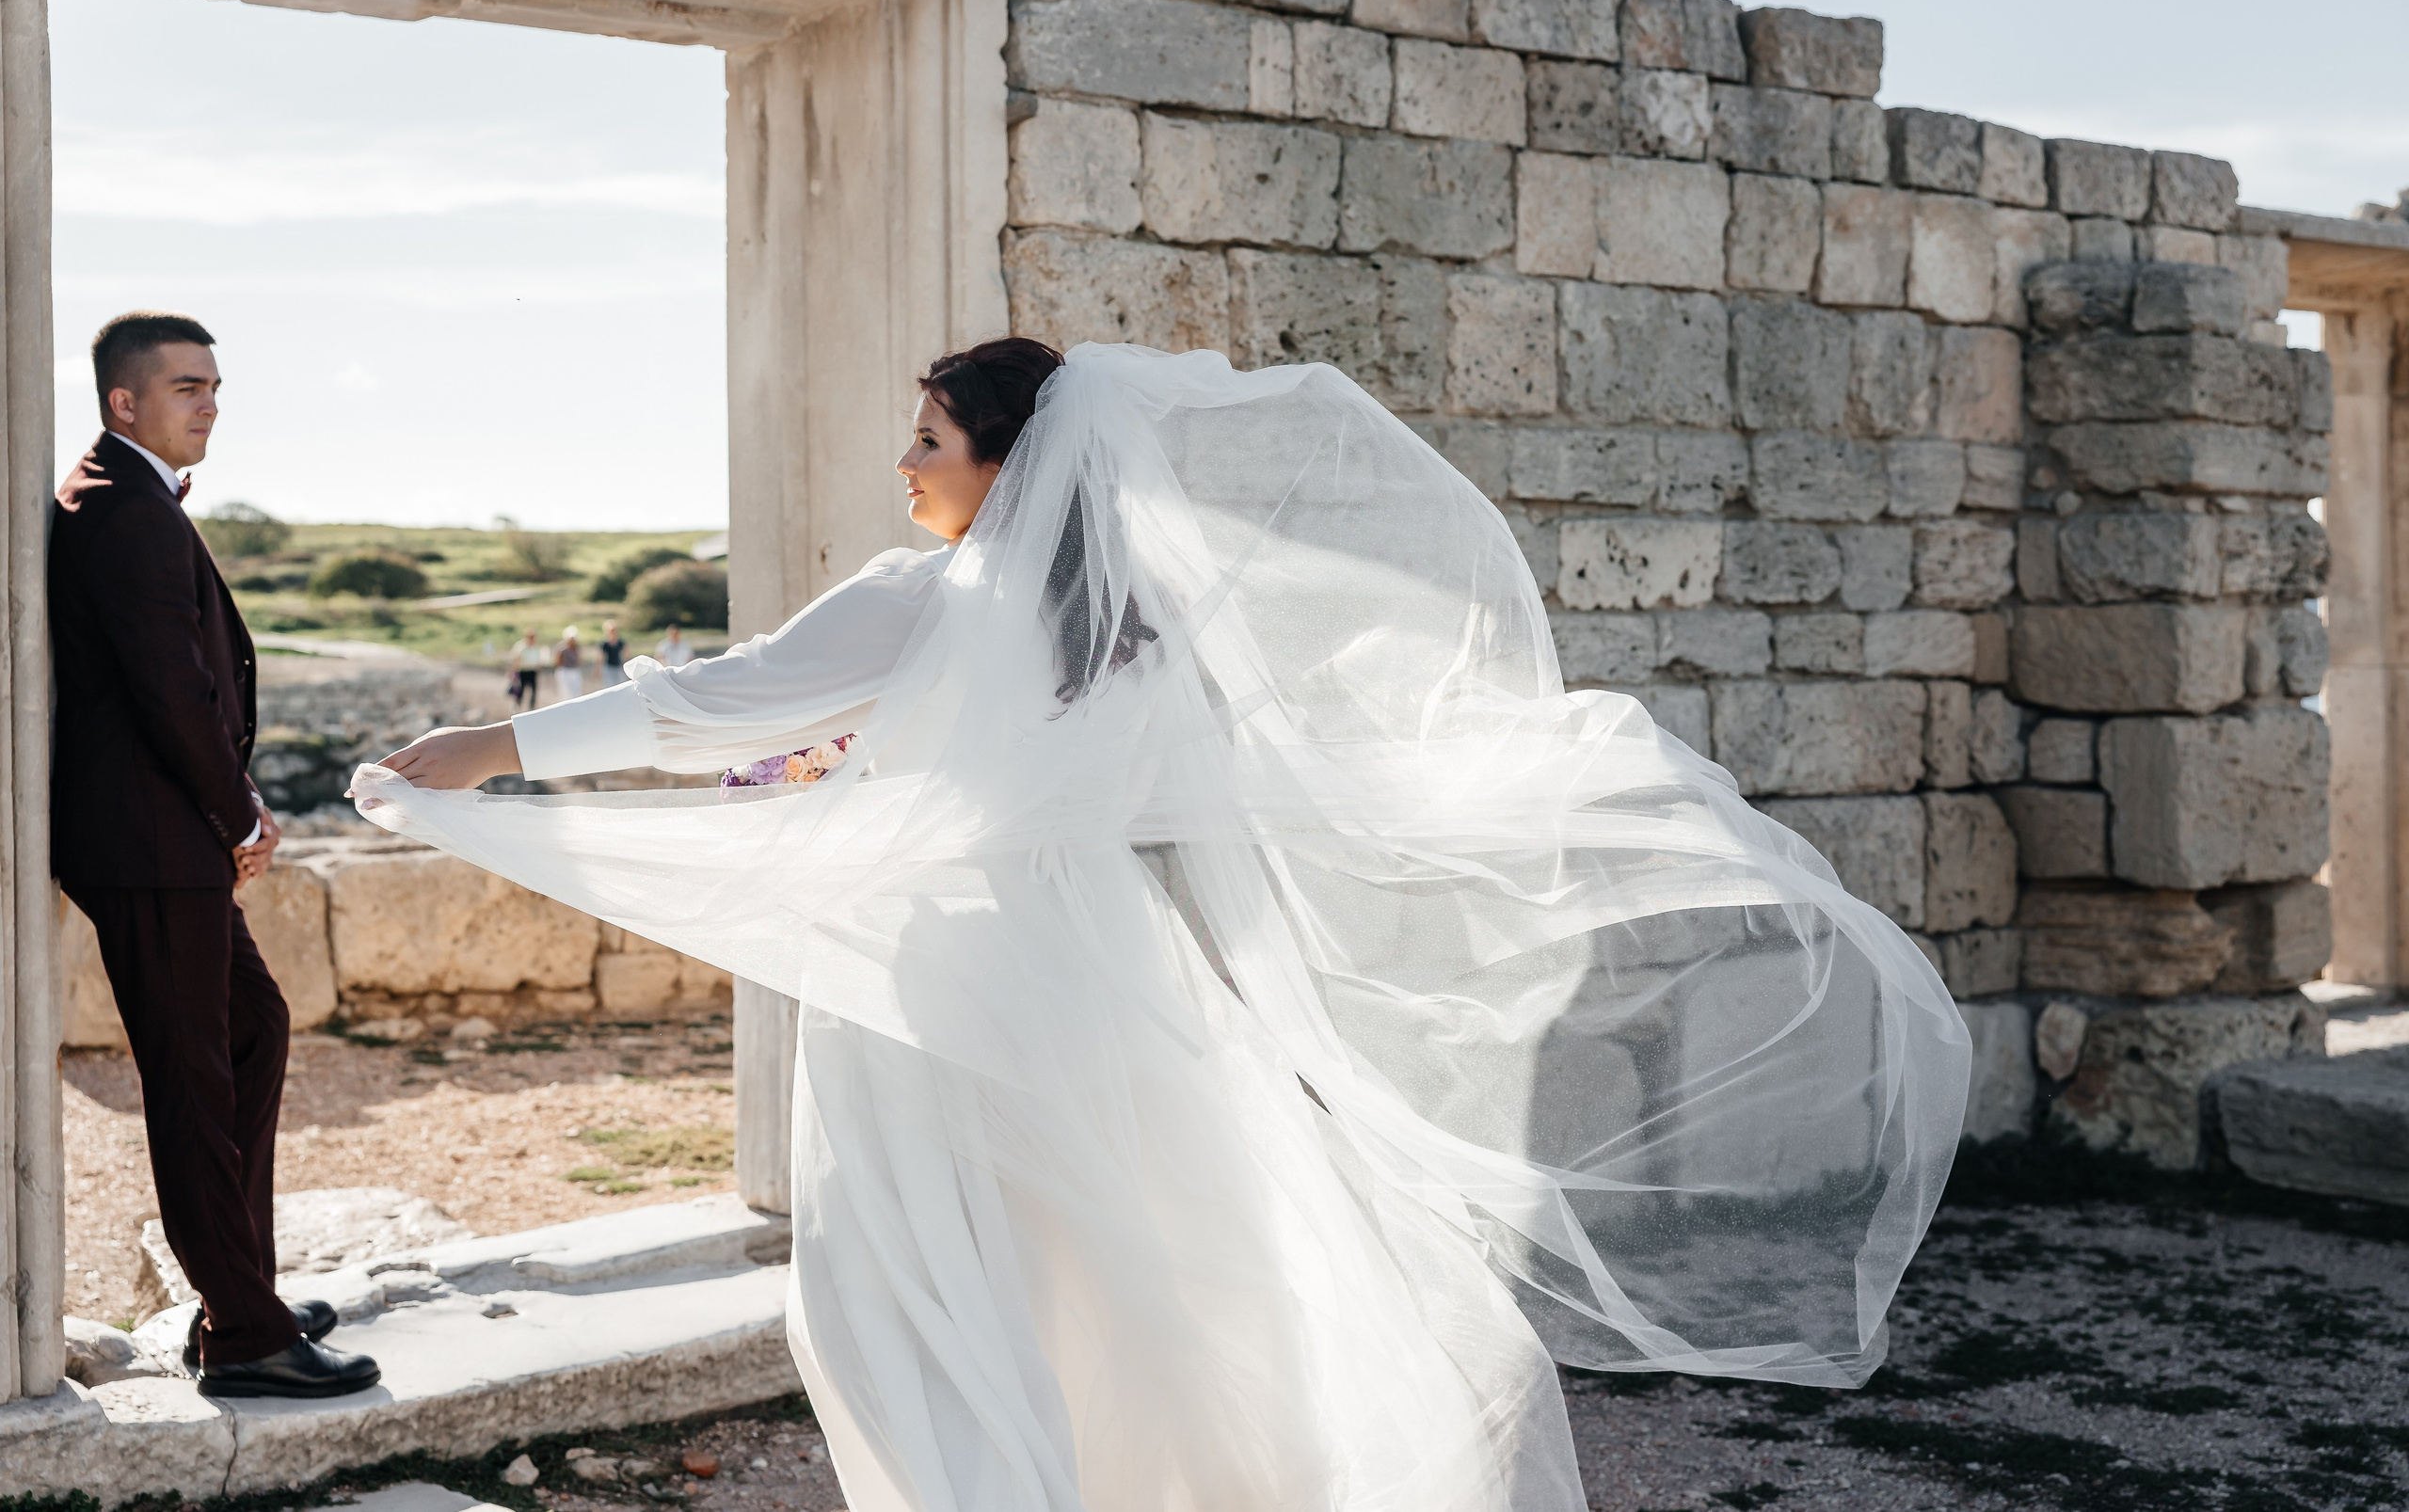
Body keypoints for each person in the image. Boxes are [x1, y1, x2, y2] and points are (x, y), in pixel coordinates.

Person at [362, 340, 1968, 1510]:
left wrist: (488, 754)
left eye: (926, 437)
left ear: (1003, 461)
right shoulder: (1129, 625)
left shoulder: (920, 597)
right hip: (1103, 976)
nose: (905, 465)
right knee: (1126, 1282)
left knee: (908, 1293)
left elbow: (713, 703)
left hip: (941, 985)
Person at [51, 312, 381, 1400]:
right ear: (123, 402)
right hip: (149, 842)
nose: (209, 404)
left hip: (158, 836)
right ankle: (243, 1336)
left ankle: (241, 1296)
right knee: (194, 1083)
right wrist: (240, 815)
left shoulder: (131, 498)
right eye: (186, 386)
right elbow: (171, 687)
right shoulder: (121, 509)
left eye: (214, 386)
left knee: (251, 1028)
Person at [511, 628, 548, 709]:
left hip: (532, 671)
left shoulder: (536, 648)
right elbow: (516, 659)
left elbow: (539, 659)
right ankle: (517, 707)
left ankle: (531, 709)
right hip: (522, 671)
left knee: (533, 692)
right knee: (520, 691)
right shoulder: (521, 646)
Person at [554, 626, 583, 701]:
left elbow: (579, 660)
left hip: (574, 671)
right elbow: (557, 661)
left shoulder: (577, 648)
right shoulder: (562, 648)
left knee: (576, 693)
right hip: (564, 671)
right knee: (565, 693)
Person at [598, 621, 628, 687]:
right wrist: (598, 670)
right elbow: (600, 657)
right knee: (610, 686)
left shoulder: (620, 643)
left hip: (618, 666)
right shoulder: (605, 644)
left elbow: (627, 655)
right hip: (609, 667)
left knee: (620, 685)